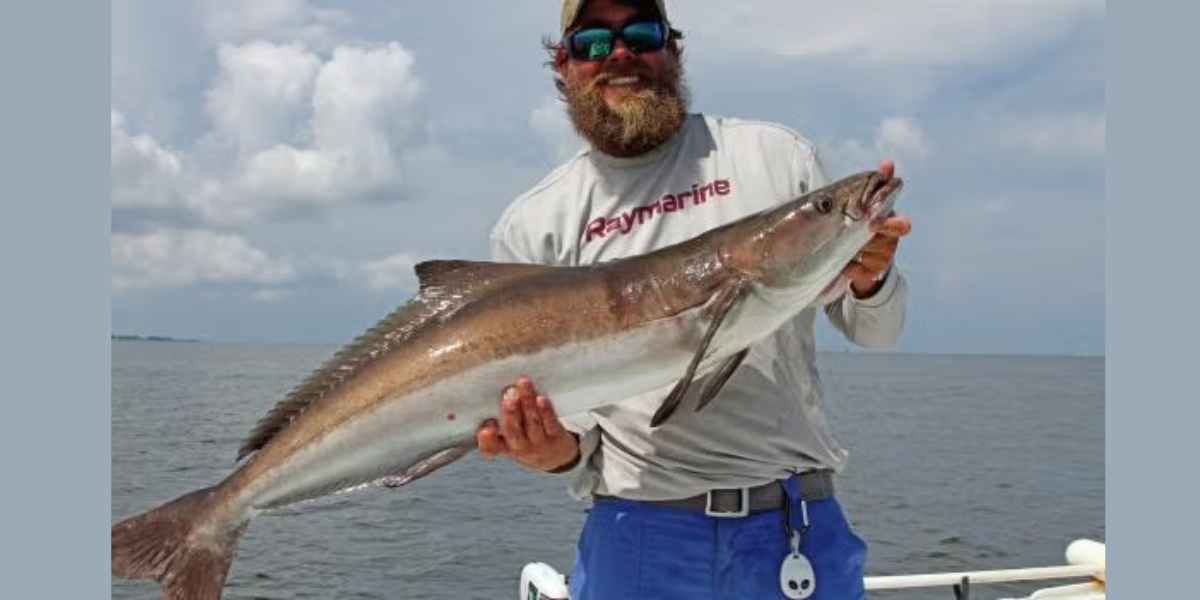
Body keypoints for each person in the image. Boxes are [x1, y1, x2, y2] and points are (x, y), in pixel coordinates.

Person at [477, 0, 912, 598]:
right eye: (593, 42)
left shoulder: (774, 156)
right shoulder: (535, 224)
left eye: (641, 33)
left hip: (796, 524)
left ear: (673, 47)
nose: (620, 53)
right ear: (564, 64)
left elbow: (878, 330)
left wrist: (870, 277)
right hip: (638, 532)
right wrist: (553, 452)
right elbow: (572, 428)